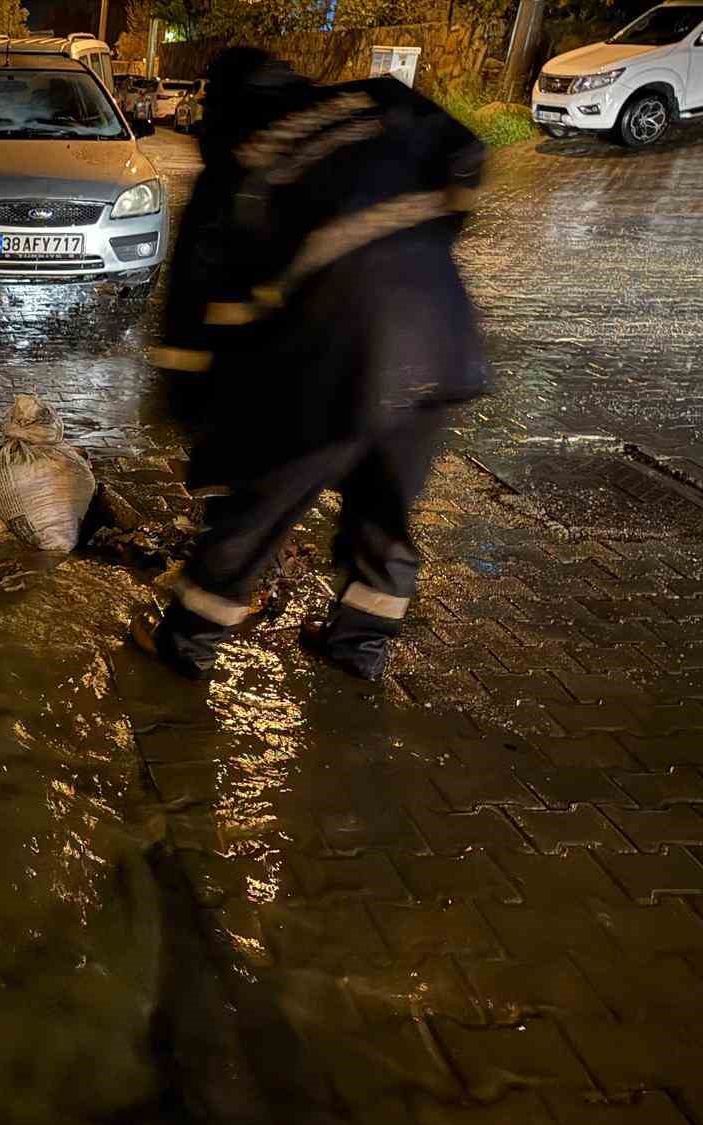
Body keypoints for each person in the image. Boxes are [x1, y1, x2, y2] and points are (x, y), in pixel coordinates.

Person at [137, 49, 487, 683]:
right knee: (384, 503)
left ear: (222, 110)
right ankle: (360, 645)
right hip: (443, 343)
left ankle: (186, 642)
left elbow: (193, 325)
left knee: (263, 502)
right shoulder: (379, 99)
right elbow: (469, 154)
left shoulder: (234, 166)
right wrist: (423, 246)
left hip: (339, 360)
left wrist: (198, 421)